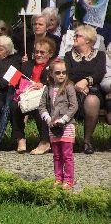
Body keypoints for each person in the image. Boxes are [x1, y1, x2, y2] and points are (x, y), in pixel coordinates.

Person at [64, 25, 106, 154]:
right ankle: (66, 141)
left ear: (88, 40)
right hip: (72, 89)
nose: (74, 37)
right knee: (64, 100)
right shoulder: (68, 55)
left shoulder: (100, 55)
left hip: (93, 90)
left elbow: (99, 73)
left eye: (78, 35)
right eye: (74, 35)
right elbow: (68, 74)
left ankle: (87, 141)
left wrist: (86, 81)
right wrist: (78, 84)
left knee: (92, 101)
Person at [11, 38, 55, 155]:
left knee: (39, 108)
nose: (38, 55)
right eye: (36, 52)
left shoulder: (54, 66)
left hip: (45, 97)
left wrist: (43, 84)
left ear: (50, 54)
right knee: (14, 105)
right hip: (27, 96)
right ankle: (20, 138)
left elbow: (59, 82)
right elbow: (14, 80)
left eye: (42, 52)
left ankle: (45, 141)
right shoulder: (27, 65)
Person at [39, 59, 78, 190]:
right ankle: (58, 177)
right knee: (56, 154)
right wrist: (48, 118)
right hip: (53, 126)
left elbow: (74, 106)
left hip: (66, 125)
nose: (61, 75)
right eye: (58, 72)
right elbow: (42, 106)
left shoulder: (69, 87)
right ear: (51, 74)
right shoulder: (48, 88)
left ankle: (69, 179)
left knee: (67, 154)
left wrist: (63, 119)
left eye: (64, 72)